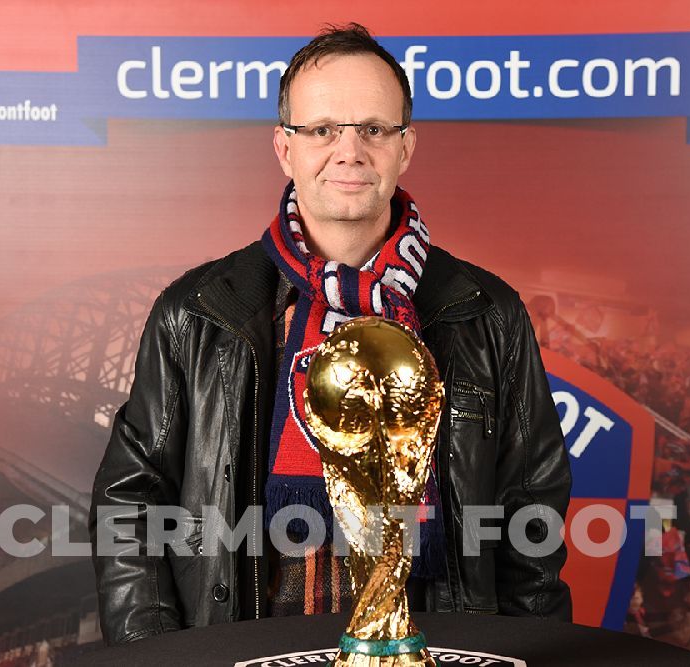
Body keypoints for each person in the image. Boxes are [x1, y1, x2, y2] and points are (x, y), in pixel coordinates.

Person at [88, 23, 572, 645]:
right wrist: (160, 659)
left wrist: (522, 654)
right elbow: (129, 503)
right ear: (284, 147)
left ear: (406, 146)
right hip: (242, 652)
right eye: (321, 130)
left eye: (374, 129)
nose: (349, 151)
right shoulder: (199, 312)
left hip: (430, 651)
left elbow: (532, 513)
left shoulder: (486, 313)